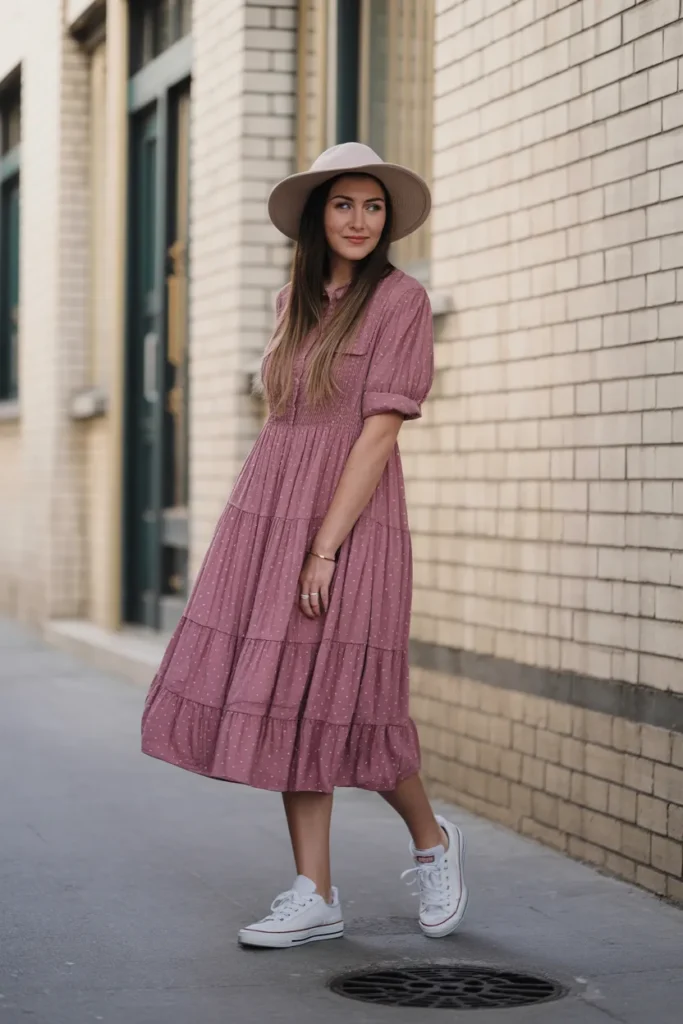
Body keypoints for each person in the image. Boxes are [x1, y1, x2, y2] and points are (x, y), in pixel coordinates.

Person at [141, 142, 468, 949]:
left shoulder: (401, 301)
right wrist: (271, 529)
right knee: (287, 691)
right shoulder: (294, 297)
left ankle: (432, 841)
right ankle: (313, 892)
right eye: (344, 204)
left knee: (354, 700)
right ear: (318, 215)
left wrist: (324, 546)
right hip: (271, 511)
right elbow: (285, 418)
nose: (359, 220)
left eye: (373, 206)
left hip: (351, 521)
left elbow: (378, 432)